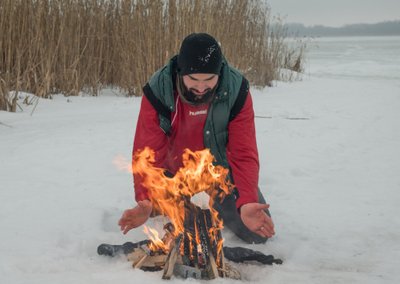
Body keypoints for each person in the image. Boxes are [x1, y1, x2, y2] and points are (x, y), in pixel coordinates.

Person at [118, 33, 275, 244]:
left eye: (209, 79)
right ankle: (171, 204)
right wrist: (145, 199)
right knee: (175, 219)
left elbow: (244, 153)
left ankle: (210, 204)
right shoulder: (159, 90)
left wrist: (247, 201)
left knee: (255, 233)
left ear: (219, 73)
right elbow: (146, 152)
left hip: (219, 175)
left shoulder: (237, 89)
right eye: (193, 79)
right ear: (180, 73)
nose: (201, 88)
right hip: (175, 176)